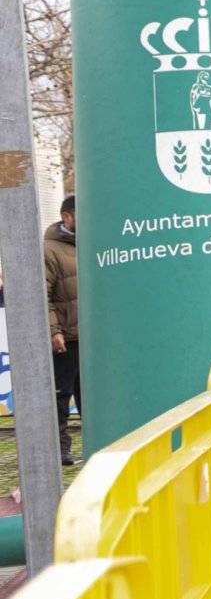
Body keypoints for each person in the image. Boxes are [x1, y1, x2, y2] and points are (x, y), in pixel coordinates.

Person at [41, 194, 77, 465]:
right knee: (61, 395)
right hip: (66, 337)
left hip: (92, 338)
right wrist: (54, 330)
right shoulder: (49, 249)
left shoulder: (91, 245)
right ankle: (60, 450)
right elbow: (45, 294)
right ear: (67, 217)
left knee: (91, 398)